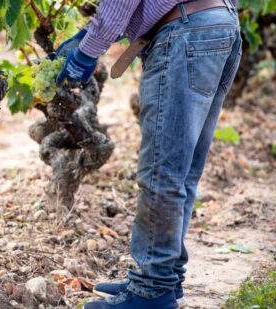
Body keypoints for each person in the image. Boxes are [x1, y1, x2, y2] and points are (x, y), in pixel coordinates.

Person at [55, 1, 242, 308]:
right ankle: (165, 276)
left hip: (187, 33)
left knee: (162, 170)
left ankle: (152, 290)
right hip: (218, 25)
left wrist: (87, 52)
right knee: (182, 170)